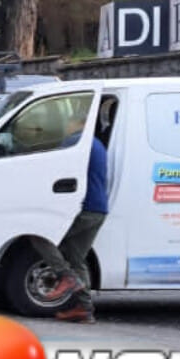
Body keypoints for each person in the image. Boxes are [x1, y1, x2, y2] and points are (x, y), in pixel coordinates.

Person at [33, 108, 110, 324]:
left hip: (83, 209)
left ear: (79, 124)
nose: (66, 128)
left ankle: (65, 277)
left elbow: (55, 168)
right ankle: (84, 310)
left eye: (68, 124)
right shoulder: (97, 144)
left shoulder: (77, 142)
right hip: (98, 209)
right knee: (76, 258)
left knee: (39, 236)